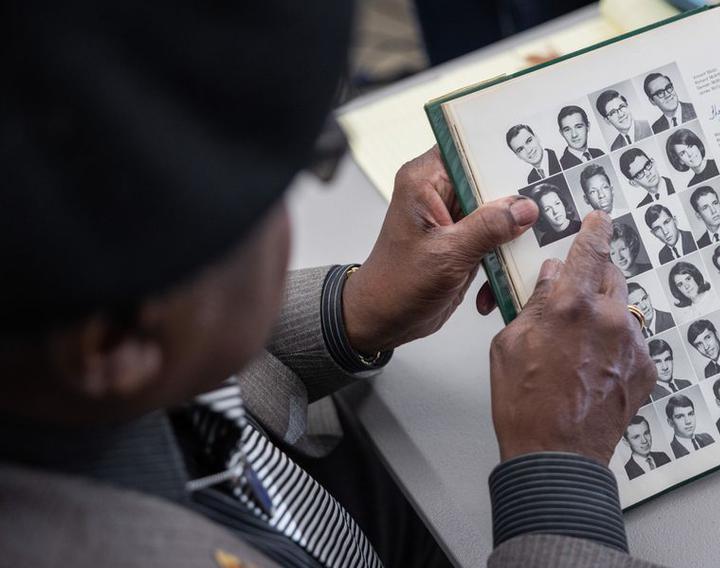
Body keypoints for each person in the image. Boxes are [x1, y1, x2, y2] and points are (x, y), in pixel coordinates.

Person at [1, 3, 663, 565]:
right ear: (119, 342)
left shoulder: (55, 341)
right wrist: (559, 472)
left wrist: (354, 312)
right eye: (269, 199)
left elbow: (192, 392)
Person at [622, 416, 671, 480]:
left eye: (646, 433)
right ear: (626, 442)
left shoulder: (663, 456)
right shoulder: (627, 471)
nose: (644, 440)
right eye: (636, 437)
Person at [556, 105, 604, 170]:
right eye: (567, 130)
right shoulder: (561, 167)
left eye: (578, 127)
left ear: (588, 126)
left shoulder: (599, 153)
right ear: (561, 133)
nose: (574, 135)